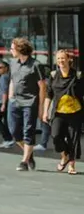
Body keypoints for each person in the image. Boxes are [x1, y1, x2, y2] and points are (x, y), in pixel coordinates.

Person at [7, 37, 47, 171]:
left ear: (20, 49)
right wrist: (10, 96)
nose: (10, 51)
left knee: (28, 131)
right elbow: (12, 80)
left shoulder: (36, 65)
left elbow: (42, 86)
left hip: (30, 102)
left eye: (12, 48)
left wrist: (41, 108)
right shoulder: (12, 63)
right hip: (15, 101)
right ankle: (29, 154)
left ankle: (24, 162)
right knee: (14, 131)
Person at [44, 49, 83, 174]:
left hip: (75, 112)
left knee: (73, 139)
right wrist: (45, 112)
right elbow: (48, 95)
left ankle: (71, 165)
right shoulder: (53, 75)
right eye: (59, 58)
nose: (61, 61)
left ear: (69, 59)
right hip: (58, 112)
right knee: (56, 136)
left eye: (63, 58)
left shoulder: (78, 75)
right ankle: (64, 155)